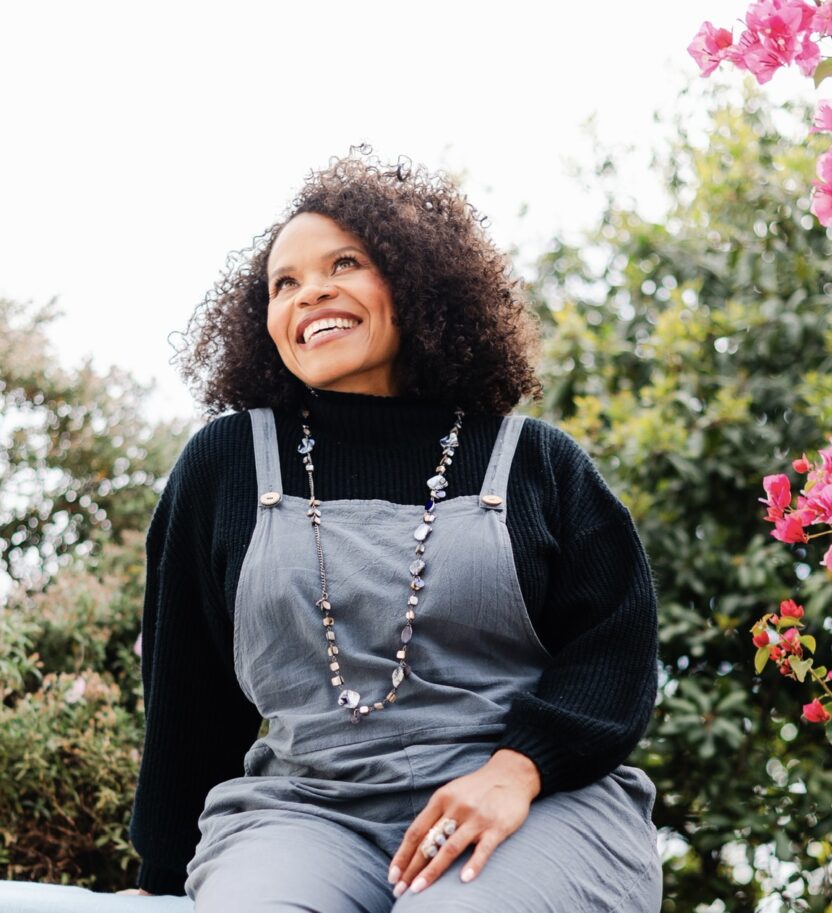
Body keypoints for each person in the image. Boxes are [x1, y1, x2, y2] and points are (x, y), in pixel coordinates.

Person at [4, 150, 662, 912]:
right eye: (284, 283)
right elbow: (191, 696)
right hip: (306, 814)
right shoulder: (227, 464)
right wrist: (159, 880)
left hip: (529, 802)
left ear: (418, 284)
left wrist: (519, 769)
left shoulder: (533, 461)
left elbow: (615, 650)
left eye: (344, 263)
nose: (311, 290)